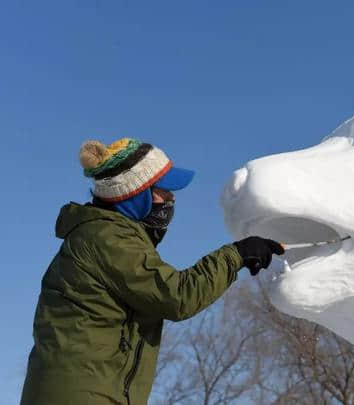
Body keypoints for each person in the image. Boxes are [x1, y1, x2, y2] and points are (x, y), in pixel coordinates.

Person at [20, 138, 284, 405]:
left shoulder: (102, 234)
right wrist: (236, 254)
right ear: (135, 195)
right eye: (164, 193)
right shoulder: (108, 238)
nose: (171, 201)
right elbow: (177, 296)